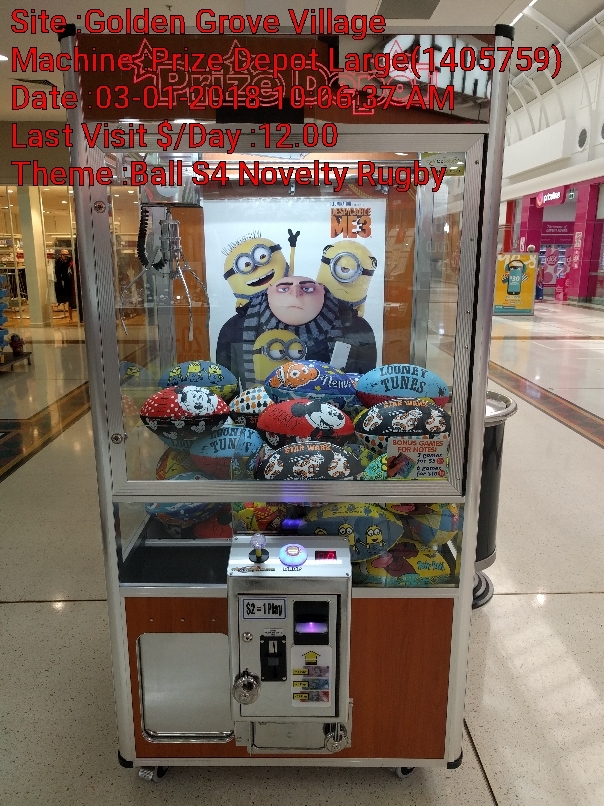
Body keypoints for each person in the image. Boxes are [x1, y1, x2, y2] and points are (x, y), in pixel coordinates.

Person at [216, 276, 377, 387]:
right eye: (283, 289)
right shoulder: (235, 328)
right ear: (268, 291)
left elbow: (365, 386)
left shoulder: (355, 328)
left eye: (307, 288)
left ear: (322, 289)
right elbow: (226, 387)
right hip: (258, 415)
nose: (295, 293)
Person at [54, 249, 76, 322]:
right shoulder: (58, 262)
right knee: (66, 299)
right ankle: (70, 318)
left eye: (66, 254)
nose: (65, 256)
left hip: (70, 283)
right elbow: (57, 272)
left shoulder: (70, 261)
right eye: (63, 254)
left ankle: (72, 318)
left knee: (71, 300)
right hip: (61, 283)